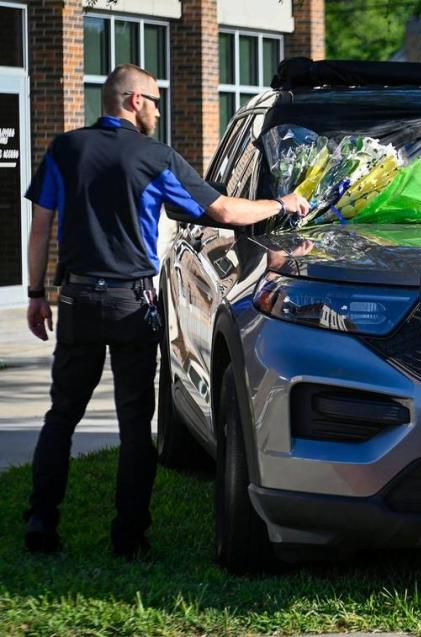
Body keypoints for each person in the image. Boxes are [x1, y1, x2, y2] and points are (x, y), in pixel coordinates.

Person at [22, 64, 309, 558]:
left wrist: (35, 294)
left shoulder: (64, 150)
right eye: (154, 101)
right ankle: (129, 538)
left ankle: (41, 525)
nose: (158, 110)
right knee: (135, 423)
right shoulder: (155, 158)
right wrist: (283, 202)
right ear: (132, 101)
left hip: (76, 300)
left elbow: (41, 227)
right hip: (131, 304)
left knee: (62, 416)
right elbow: (223, 212)